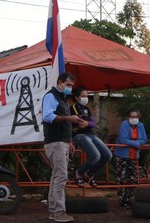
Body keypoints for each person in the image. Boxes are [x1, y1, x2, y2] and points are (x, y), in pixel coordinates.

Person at [42, 72, 85, 223]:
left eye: (71, 86)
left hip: (61, 141)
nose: (70, 88)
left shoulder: (61, 99)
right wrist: (69, 118)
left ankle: (54, 211)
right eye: (68, 85)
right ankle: (59, 212)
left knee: (56, 177)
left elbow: (63, 122)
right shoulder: (51, 96)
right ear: (60, 82)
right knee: (60, 177)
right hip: (56, 142)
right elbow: (47, 116)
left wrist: (69, 142)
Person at [69, 86, 112, 188]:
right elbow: (78, 122)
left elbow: (93, 123)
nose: (86, 98)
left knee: (107, 155)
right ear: (76, 97)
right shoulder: (72, 108)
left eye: (87, 96)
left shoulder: (86, 108)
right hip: (79, 135)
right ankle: (79, 173)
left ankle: (89, 175)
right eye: (83, 96)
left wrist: (87, 123)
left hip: (91, 134)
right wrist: (86, 122)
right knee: (96, 155)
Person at [114, 109, 148, 209]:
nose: (134, 119)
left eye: (136, 117)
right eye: (132, 117)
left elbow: (144, 139)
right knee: (122, 178)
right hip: (122, 155)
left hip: (133, 156)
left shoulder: (140, 125)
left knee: (132, 178)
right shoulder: (124, 125)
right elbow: (123, 139)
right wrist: (137, 143)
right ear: (128, 117)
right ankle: (122, 199)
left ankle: (128, 198)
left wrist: (134, 143)